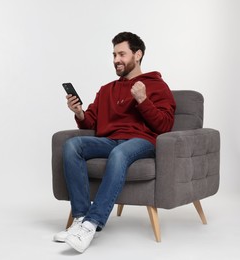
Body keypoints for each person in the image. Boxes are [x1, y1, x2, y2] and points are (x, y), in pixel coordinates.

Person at [53, 32, 176, 253]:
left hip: (142, 141)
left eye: (122, 54)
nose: (116, 59)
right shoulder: (107, 89)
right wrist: (80, 112)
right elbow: (90, 121)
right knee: (73, 145)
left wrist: (143, 100)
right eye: (114, 55)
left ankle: (92, 224)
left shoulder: (157, 86)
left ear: (137, 55)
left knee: (119, 153)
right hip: (110, 140)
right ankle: (80, 218)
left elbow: (165, 125)